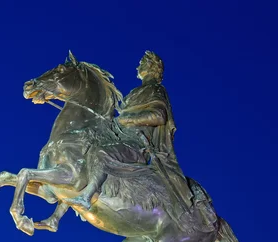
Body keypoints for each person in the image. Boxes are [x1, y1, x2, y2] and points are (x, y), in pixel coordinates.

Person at [68, 50, 193, 214]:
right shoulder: (135, 92)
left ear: (151, 67)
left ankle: (86, 197)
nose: (137, 67)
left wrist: (127, 119)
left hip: (136, 144)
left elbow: (158, 116)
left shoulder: (155, 90)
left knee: (100, 152)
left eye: (141, 63)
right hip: (120, 137)